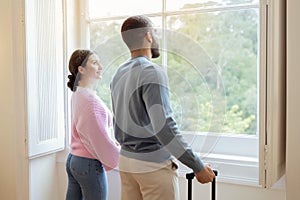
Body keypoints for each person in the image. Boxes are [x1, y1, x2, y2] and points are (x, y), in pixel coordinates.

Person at [110, 15, 215, 200]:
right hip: (152, 166)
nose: (157, 37)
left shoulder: (119, 73)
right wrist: (197, 166)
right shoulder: (151, 71)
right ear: (148, 36)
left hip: (126, 162)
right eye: (156, 32)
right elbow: (164, 128)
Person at [65, 49, 120, 200]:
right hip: (88, 162)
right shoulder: (90, 101)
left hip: (74, 159)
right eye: (95, 63)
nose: (101, 67)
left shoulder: (78, 94)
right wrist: (118, 150)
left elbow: (88, 131)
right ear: (81, 69)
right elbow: (98, 137)